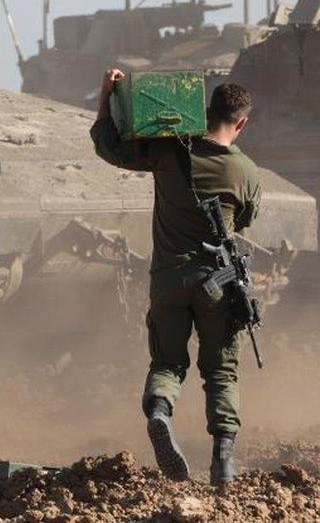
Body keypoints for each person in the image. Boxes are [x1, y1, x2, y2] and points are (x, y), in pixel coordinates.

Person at [91, 70, 261, 486]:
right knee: (221, 372)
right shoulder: (246, 171)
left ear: (206, 112)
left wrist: (106, 97)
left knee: (167, 361)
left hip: (168, 280)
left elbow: (108, 146)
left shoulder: (169, 151)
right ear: (241, 123)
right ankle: (223, 462)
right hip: (218, 285)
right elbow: (245, 220)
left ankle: (160, 413)